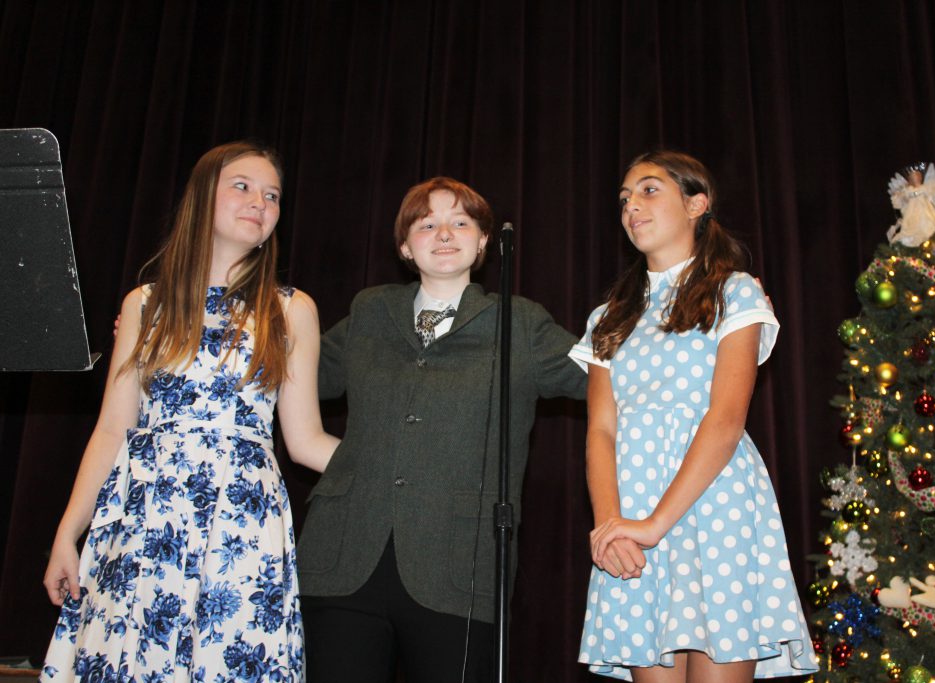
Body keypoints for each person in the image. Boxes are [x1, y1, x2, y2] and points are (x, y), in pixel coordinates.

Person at [40, 141, 339, 682]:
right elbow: (113, 429)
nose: (260, 203)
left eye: (272, 195)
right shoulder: (145, 303)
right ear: (203, 198)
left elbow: (305, 441)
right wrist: (68, 532)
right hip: (147, 515)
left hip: (242, 522)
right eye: (243, 187)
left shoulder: (291, 308)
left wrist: (401, 470)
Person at [297, 177, 587, 682]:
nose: (445, 233)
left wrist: (702, 324)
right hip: (343, 557)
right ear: (406, 246)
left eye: (460, 222)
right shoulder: (371, 311)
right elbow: (292, 373)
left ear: (482, 242)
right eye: (426, 223)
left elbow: (609, 376)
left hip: (459, 567)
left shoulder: (519, 322)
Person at [571, 151, 817, 681]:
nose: (631, 206)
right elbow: (601, 429)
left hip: (713, 503)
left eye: (649, 190)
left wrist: (655, 524)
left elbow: (725, 420)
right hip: (634, 512)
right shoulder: (607, 317)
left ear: (696, 203)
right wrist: (611, 527)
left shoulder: (735, 291)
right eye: (623, 199)